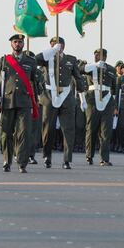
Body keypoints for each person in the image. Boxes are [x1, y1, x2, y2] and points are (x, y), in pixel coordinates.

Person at [0, 34, 40, 173]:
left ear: (23, 44)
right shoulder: (4, 60)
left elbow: (34, 83)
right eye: (15, 42)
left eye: (20, 42)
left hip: (24, 102)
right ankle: (7, 160)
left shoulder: (31, 61)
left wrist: (35, 100)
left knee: (24, 133)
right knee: (5, 133)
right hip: (7, 102)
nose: (18, 44)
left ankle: (22, 162)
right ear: (11, 44)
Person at [35, 37, 84, 169]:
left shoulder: (71, 59)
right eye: (54, 45)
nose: (58, 46)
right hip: (49, 96)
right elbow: (36, 59)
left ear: (64, 45)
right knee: (48, 129)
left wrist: (82, 94)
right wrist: (51, 51)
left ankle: (67, 160)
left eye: (59, 44)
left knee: (68, 129)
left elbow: (78, 77)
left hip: (66, 96)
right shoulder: (46, 58)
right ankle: (47, 157)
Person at [82, 48, 117, 166]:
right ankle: (89, 155)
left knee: (106, 131)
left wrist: (115, 105)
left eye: (99, 55)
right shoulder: (90, 67)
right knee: (91, 129)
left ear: (105, 57)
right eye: (95, 55)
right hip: (92, 100)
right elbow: (80, 70)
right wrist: (95, 65)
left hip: (107, 101)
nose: (96, 57)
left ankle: (104, 158)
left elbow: (114, 88)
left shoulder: (111, 69)